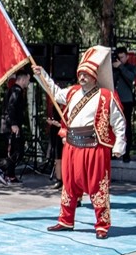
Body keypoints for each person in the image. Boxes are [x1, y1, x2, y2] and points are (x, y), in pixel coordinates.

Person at [34, 45, 127, 239]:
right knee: (69, 184)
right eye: (80, 73)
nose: (82, 77)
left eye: (86, 74)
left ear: (94, 76)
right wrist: (42, 75)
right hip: (72, 145)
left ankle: (102, 225)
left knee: (98, 186)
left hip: (95, 147)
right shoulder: (73, 92)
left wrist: (119, 144)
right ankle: (65, 220)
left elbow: (118, 121)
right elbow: (55, 92)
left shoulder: (106, 96)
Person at [0, 68, 32, 185]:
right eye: (27, 80)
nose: (28, 83)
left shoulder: (15, 90)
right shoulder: (16, 91)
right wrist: (14, 124)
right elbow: (11, 107)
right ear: (23, 79)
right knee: (18, 151)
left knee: (16, 149)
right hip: (11, 125)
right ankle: (1, 168)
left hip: (11, 124)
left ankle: (10, 175)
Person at [111, 46, 136, 162]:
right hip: (114, 100)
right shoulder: (112, 68)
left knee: (126, 127)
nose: (120, 60)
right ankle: (113, 151)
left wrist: (121, 67)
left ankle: (126, 153)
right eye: (118, 57)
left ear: (127, 57)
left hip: (126, 101)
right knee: (112, 126)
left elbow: (131, 77)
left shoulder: (131, 68)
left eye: (122, 57)